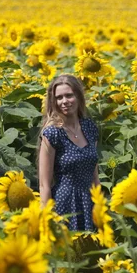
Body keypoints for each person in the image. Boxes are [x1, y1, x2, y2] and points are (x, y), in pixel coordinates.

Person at [38, 74, 100, 231]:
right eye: (59, 98)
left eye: (69, 95)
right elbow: (44, 184)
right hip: (64, 204)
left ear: (78, 97)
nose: (64, 101)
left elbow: (94, 175)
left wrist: (101, 206)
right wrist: (47, 221)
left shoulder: (90, 128)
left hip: (90, 202)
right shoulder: (52, 134)